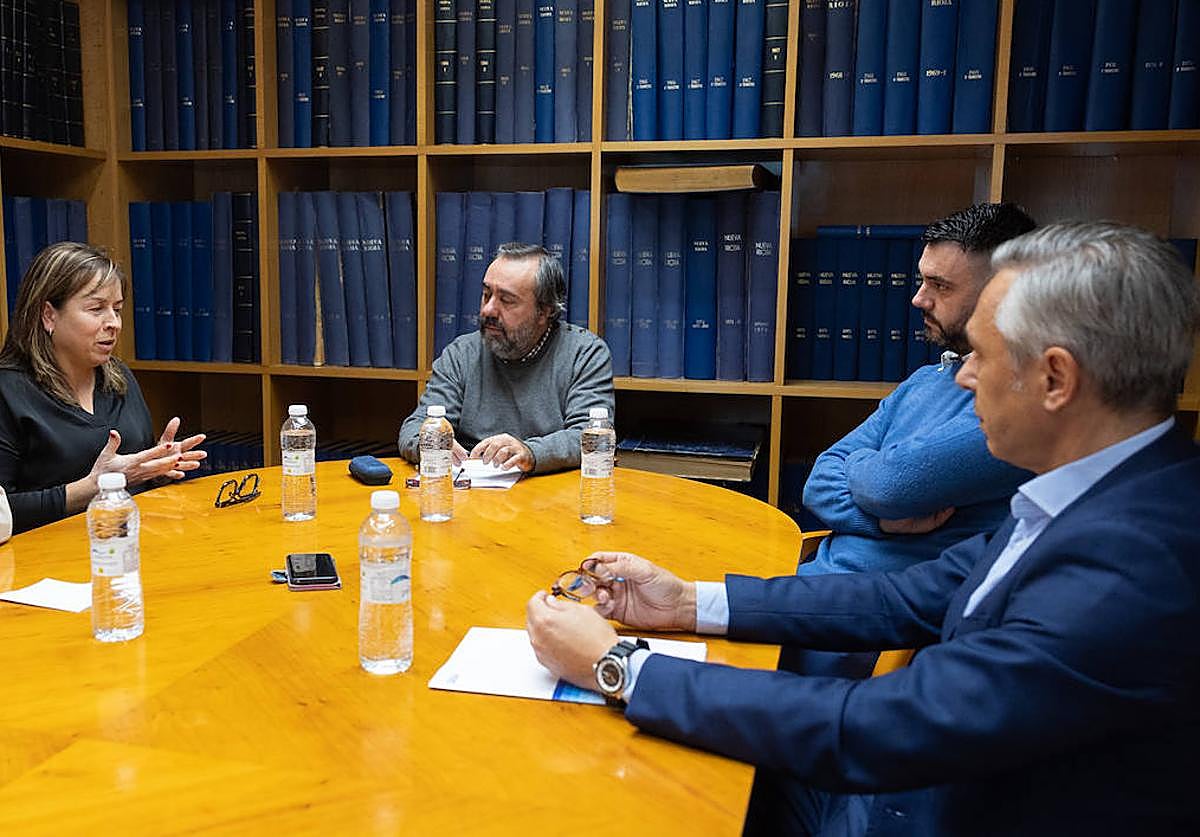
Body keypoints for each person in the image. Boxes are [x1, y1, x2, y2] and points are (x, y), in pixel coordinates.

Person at [526, 222, 1200, 834]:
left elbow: (889, 725)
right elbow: (897, 598)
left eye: (983, 357)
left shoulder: (1135, 563)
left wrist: (620, 667)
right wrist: (685, 602)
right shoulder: (1099, 496)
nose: (962, 375)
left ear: (1056, 378)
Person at [802, 204, 1037, 579]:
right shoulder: (927, 378)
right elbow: (818, 482)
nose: (918, 298)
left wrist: (862, 464)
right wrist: (883, 522)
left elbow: (890, 487)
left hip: (881, 618)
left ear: (1003, 292)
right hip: (813, 582)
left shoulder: (1016, 407)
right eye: (922, 280)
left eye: (940, 285)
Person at [0, 243, 206, 535]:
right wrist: (90, 488)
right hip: (43, 564)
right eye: (96, 309)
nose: (114, 323)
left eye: (117, 309)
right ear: (49, 315)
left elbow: (133, 475)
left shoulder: (118, 377)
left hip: (129, 546)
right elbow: (3, 513)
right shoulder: (8, 392)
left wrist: (156, 470)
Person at [397, 242, 614, 475]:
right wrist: (430, 444)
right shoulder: (461, 353)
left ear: (545, 311)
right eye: (486, 294)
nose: (488, 310)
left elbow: (591, 435)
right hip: (470, 495)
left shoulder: (585, 354)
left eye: (506, 300)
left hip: (550, 495)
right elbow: (415, 427)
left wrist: (530, 452)